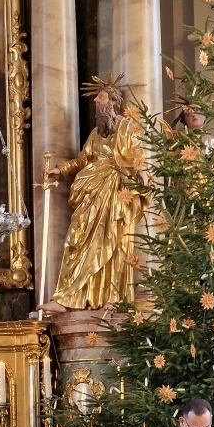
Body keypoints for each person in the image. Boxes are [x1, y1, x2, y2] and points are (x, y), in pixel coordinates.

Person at [38, 73, 149, 313]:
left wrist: (142, 175)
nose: (97, 103)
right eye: (97, 100)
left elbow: (138, 155)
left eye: (100, 98)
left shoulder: (127, 127)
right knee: (77, 238)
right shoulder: (95, 134)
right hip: (93, 190)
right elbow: (83, 159)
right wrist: (62, 170)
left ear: (113, 102)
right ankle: (68, 298)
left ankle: (112, 297)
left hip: (117, 192)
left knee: (114, 241)